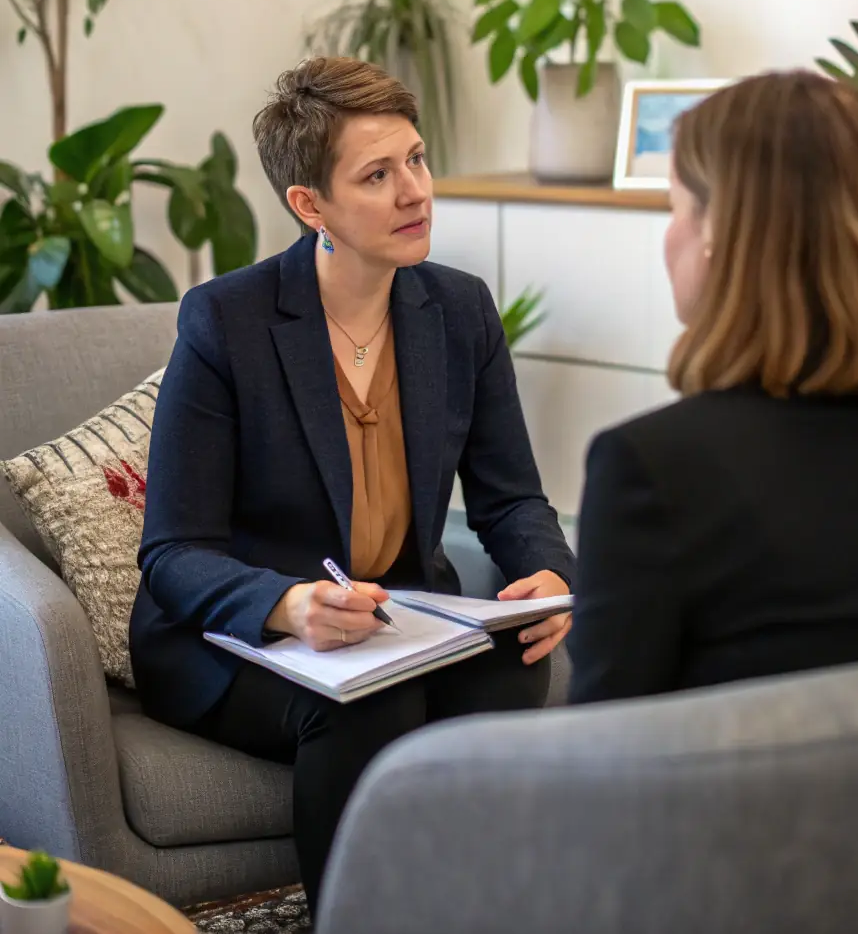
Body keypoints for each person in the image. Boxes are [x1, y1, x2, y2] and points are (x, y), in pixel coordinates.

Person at [130, 57, 574, 914]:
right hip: (238, 637)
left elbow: (511, 498)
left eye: (416, 159)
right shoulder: (227, 320)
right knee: (369, 706)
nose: (415, 191)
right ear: (310, 206)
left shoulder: (460, 310)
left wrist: (548, 574)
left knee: (515, 669)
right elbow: (172, 550)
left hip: (393, 621)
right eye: (377, 174)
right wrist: (290, 605)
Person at [569, 70, 858, 705]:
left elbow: (599, 762)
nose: (668, 235)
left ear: (719, 234)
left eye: (675, 207)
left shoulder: (651, 470)